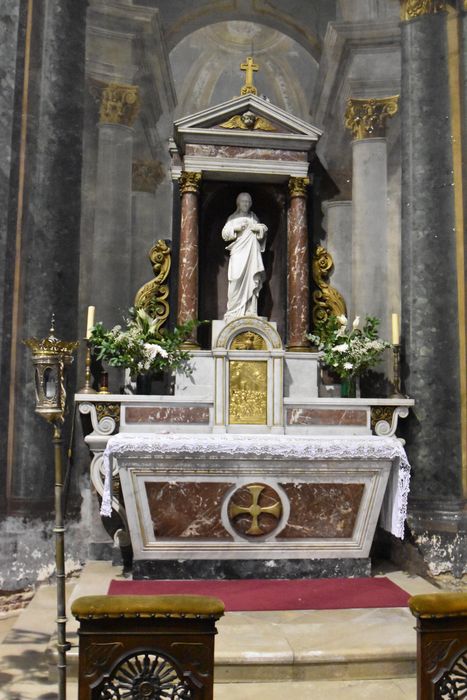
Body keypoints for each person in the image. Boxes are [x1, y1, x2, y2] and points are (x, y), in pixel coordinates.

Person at [222, 192, 268, 322]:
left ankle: (250, 310)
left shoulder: (254, 217)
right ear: (238, 203)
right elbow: (225, 234)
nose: (246, 204)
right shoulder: (233, 218)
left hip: (252, 254)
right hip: (238, 252)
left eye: (248, 202)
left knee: (253, 278)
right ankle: (233, 311)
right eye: (243, 201)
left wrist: (259, 229)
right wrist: (236, 228)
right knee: (235, 279)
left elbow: (261, 235)